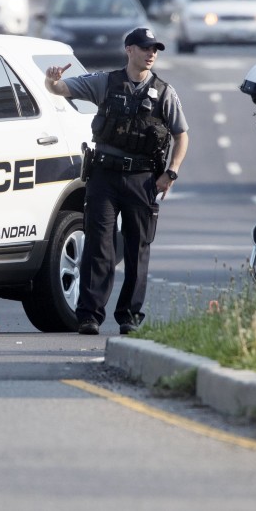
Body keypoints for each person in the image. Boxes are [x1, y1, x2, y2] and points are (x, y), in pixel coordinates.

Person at [44, 27, 189, 335]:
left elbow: (181, 135)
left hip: (143, 180)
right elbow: (60, 90)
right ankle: (89, 316)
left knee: (138, 249)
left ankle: (129, 317)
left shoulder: (164, 92)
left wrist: (171, 172)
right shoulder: (105, 83)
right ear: (129, 50)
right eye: (145, 48)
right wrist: (52, 79)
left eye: (155, 49)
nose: (151, 54)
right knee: (99, 247)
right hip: (105, 178)